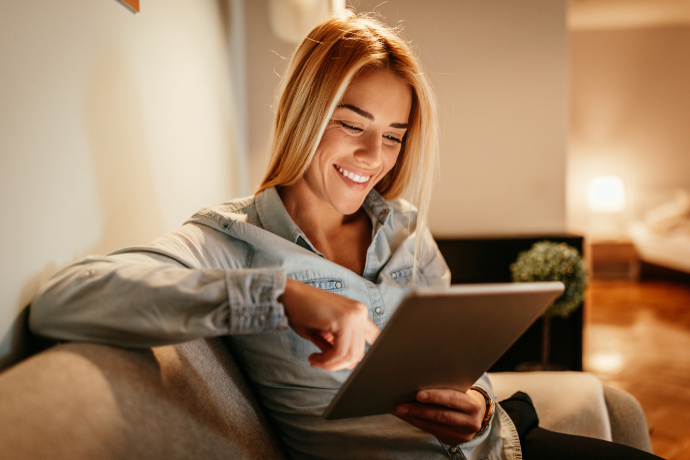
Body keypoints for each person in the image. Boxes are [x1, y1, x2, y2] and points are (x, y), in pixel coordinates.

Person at [30, 11, 663, 460]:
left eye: (393, 134)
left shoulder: (407, 233)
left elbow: (465, 378)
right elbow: (66, 299)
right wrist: (275, 294)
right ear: (304, 115)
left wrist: (476, 415)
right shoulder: (231, 239)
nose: (373, 155)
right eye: (351, 123)